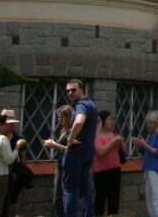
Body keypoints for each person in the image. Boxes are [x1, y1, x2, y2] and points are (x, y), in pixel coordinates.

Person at [61, 79, 97, 217]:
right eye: (68, 91)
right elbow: (97, 123)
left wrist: (69, 139)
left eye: (73, 90)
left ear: (81, 89)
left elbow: (80, 120)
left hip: (76, 152)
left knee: (70, 190)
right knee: (84, 187)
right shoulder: (91, 105)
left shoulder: (81, 105)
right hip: (87, 151)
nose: (70, 93)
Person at [131, 111, 158, 217]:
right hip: (149, 167)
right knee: (150, 199)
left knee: (157, 198)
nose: (148, 125)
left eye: (150, 122)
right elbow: (147, 151)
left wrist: (145, 145)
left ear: (156, 123)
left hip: (156, 168)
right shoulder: (153, 135)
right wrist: (141, 145)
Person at [43, 105, 74, 217]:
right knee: (57, 198)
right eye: (58, 118)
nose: (59, 120)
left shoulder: (73, 132)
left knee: (62, 197)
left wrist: (56, 145)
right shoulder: (63, 131)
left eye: (62, 117)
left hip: (68, 167)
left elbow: (72, 149)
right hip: (60, 165)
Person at [92, 111, 124, 215]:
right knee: (100, 198)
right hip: (101, 172)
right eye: (108, 120)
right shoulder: (97, 136)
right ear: (102, 121)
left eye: (111, 119)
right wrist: (113, 141)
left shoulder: (113, 134)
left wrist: (122, 142)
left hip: (115, 169)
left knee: (114, 198)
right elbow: (101, 152)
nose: (111, 122)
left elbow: (125, 150)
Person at [0, 109, 28, 217]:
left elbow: (23, 156)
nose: (10, 126)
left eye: (12, 124)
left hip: (12, 169)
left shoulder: (17, 138)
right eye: (7, 124)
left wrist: (19, 169)